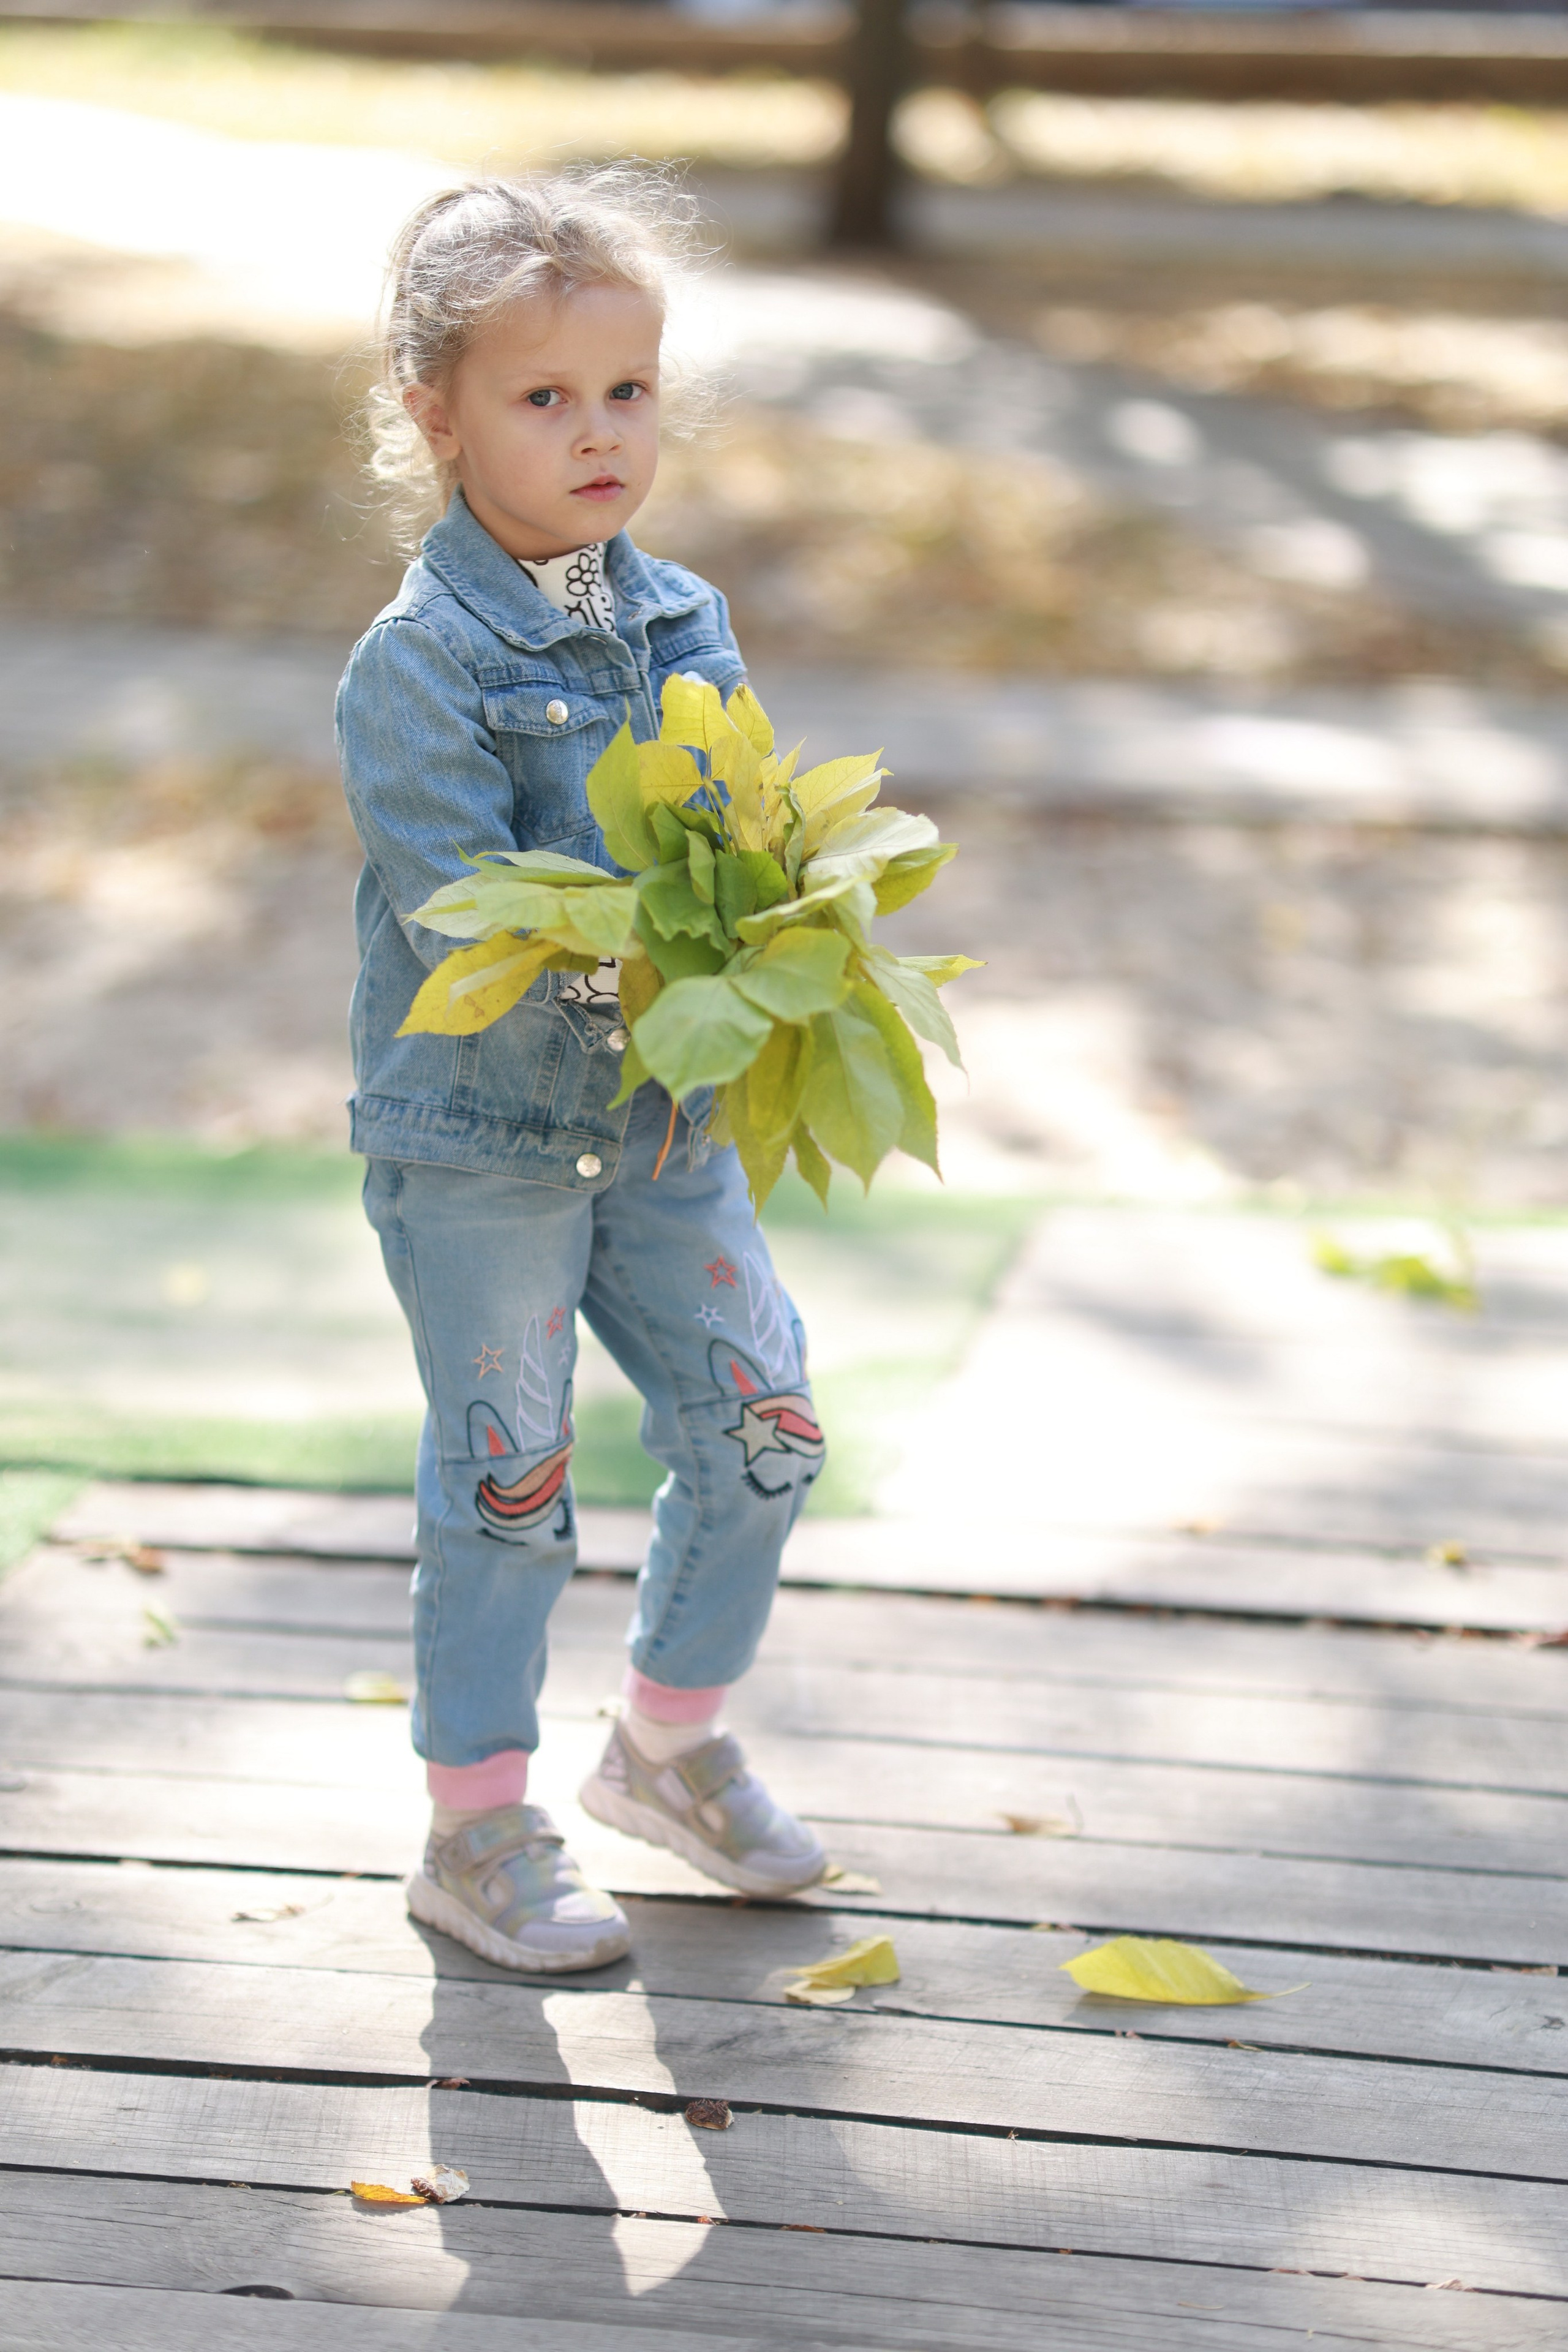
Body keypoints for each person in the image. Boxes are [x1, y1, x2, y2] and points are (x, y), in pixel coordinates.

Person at [336, 170, 827, 1975]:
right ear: (436, 410)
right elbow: (475, 918)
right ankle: (474, 1828)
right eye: (545, 397)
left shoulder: (684, 619)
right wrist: (649, 956)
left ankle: (668, 1745)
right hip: (484, 1145)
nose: (600, 431)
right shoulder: (422, 665)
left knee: (766, 1431)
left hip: (664, 1129)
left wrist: (791, 940)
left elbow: (741, 835)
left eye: (628, 389)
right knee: (509, 1476)